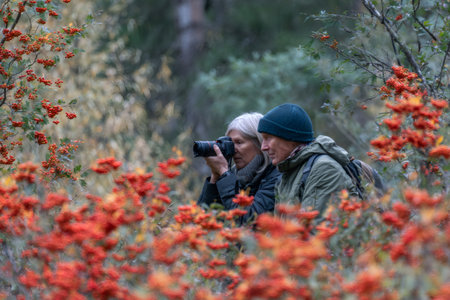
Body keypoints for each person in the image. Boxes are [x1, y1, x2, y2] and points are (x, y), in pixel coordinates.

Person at [257, 103, 358, 222]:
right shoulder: (289, 172)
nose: (263, 147)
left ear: (290, 138)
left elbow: (316, 233)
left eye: (268, 138)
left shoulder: (324, 169)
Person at [197, 112, 280, 224]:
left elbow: (248, 222)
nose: (232, 150)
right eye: (230, 144)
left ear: (259, 143)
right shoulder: (232, 177)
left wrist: (223, 172)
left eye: (239, 142)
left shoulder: (276, 176)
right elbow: (201, 220)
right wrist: (216, 176)